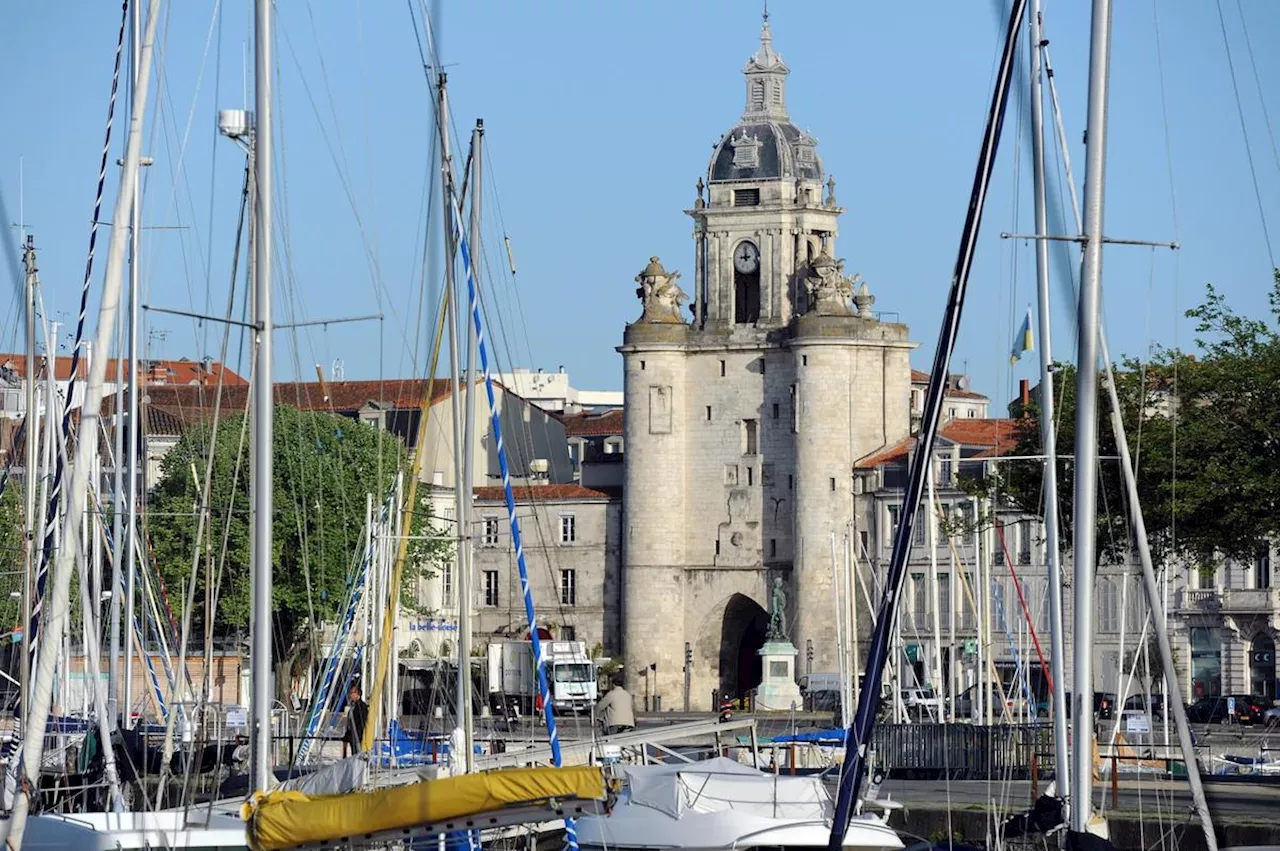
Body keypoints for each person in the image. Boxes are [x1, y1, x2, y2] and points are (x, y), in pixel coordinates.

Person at [345, 683, 369, 755]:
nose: (350, 694)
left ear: (357, 694)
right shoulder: (352, 706)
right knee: (353, 754)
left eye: (352, 693)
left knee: (358, 754)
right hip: (352, 737)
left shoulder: (362, 706)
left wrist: (358, 736)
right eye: (350, 692)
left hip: (358, 737)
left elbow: (362, 723)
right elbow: (350, 723)